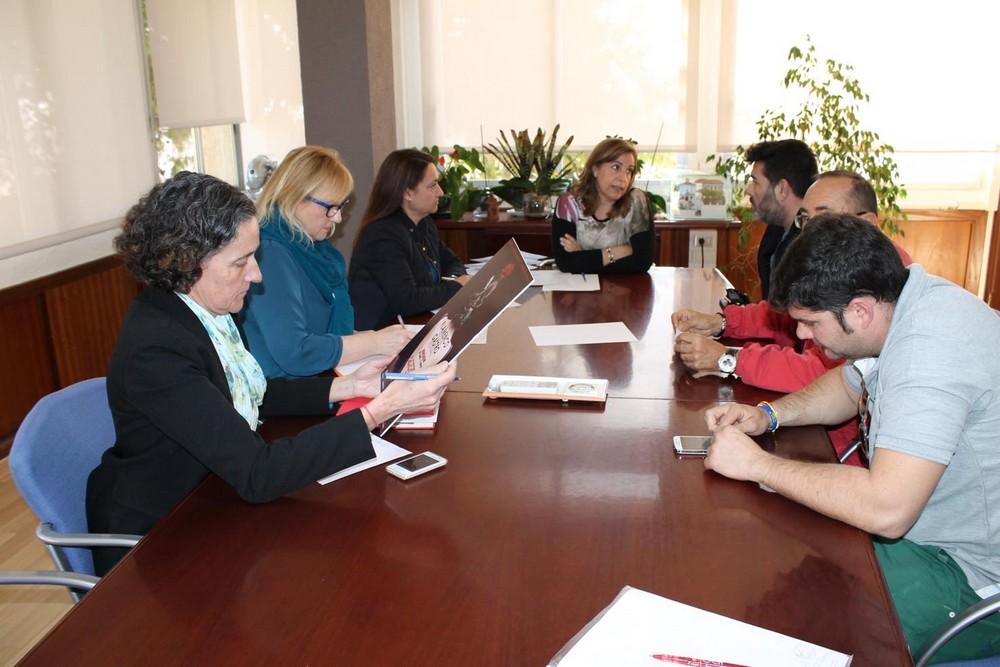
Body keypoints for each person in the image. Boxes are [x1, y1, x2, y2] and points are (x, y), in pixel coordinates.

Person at [86, 172, 455, 575]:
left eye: (254, 257)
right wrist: (377, 411)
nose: (257, 274)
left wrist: (350, 386)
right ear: (188, 262)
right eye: (241, 262)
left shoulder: (205, 309)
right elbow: (258, 473)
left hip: (212, 495)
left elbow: (247, 393)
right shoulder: (156, 350)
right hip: (160, 538)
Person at [703, 214, 1000, 662]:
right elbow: (849, 384)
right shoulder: (904, 302)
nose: (801, 334)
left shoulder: (928, 351)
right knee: (784, 575)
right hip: (924, 539)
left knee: (800, 630)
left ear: (859, 311)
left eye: (810, 322)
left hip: (970, 579)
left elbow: (887, 509)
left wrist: (757, 465)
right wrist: (768, 416)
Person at [673, 171, 913, 464]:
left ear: (868, 224)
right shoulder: (850, 276)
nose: (809, 232)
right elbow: (844, 382)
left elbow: (818, 372)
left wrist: (730, 359)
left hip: (844, 458)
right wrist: (767, 415)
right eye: (805, 219)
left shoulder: (916, 339)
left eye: (824, 218)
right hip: (830, 442)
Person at [241, 146, 412, 378]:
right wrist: (374, 342)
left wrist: (375, 340)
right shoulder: (270, 253)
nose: (338, 218)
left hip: (320, 380)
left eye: (341, 207)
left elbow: (326, 333)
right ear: (296, 197)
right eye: (331, 207)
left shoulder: (311, 248)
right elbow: (296, 352)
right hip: (288, 392)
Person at [349, 149, 470, 330]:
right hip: (382, 334)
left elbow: (452, 262)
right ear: (407, 193)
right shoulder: (382, 235)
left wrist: (454, 280)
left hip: (415, 323)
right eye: (432, 185)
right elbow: (406, 300)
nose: (441, 192)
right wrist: (456, 287)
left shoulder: (424, 222)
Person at [550, 138, 654, 274]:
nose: (623, 178)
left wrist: (583, 256)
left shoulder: (636, 201)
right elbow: (566, 263)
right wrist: (624, 250)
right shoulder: (569, 204)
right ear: (595, 169)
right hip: (581, 287)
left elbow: (642, 262)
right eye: (616, 167)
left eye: (629, 171)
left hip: (624, 286)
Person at [744, 139, 818, 300]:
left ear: (782, 189)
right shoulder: (776, 231)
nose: (748, 190)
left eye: (755, 182)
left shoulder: (812, 247)